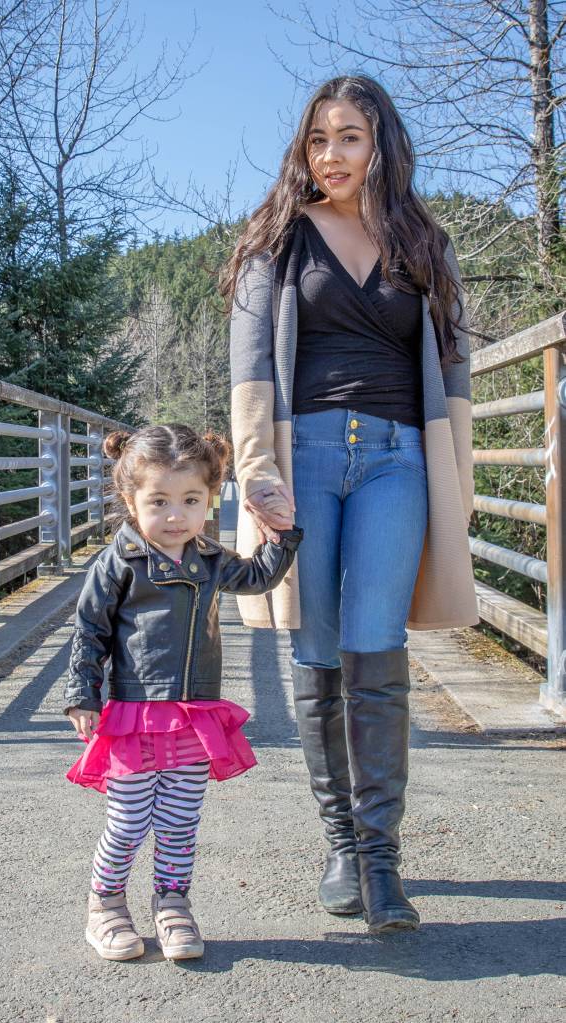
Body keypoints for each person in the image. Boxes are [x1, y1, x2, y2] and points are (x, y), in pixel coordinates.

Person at [222, 74, 478, 934]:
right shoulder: (276, 241)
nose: (330, 155)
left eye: (349, 138)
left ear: (382, 147)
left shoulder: (423, 244)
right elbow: (250, 364)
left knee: (377, 644)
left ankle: (381, 856)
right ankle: (339, 841)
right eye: (318, 138)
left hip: (399, 458)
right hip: (307, 457)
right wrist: (256, 472)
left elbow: (452, 374)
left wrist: (459, 480)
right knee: (319, 642)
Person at [63, 423, 302, 961]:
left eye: (191, 500)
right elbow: (89, 632)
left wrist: (282, 537)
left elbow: (257, 578)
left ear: (209, 500)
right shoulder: (118, 563)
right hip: (132, 713)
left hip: (195, 715)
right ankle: (105, 904)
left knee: (178, 822)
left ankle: (172, 903)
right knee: (127, 822)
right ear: (130, 499)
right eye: (160, 501)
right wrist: (83, 695)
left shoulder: (211, 560)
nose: (176, 516)